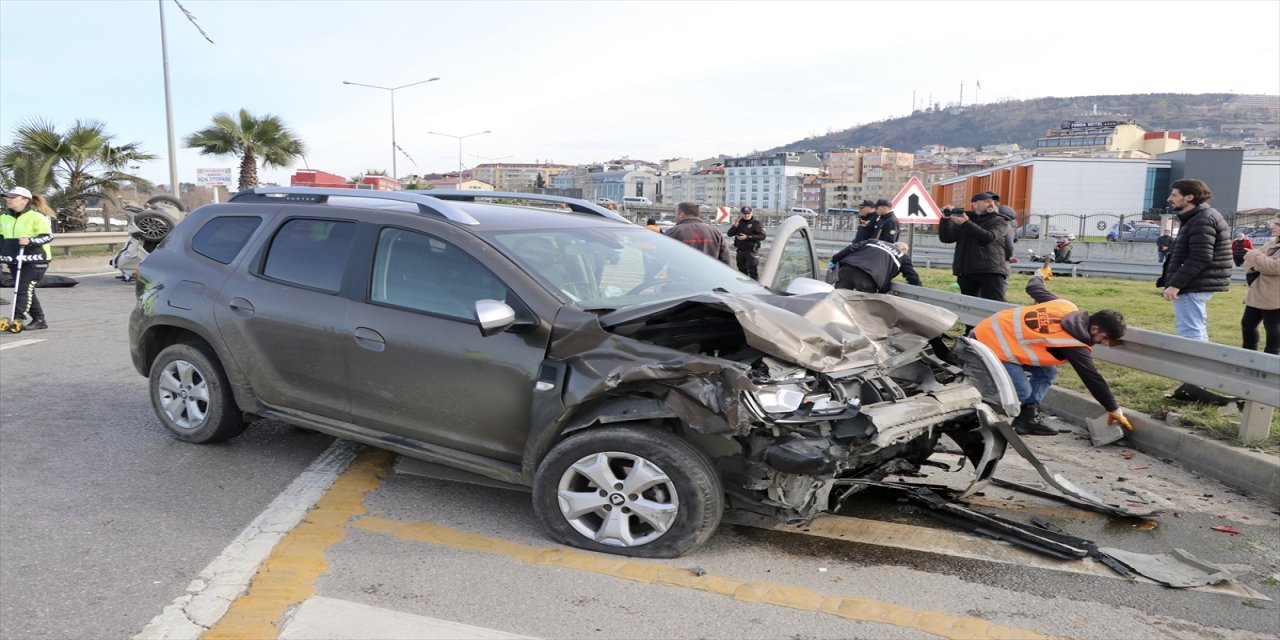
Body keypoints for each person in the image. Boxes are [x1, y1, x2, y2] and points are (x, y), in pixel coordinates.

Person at [974, 270, 1132, 436]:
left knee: (1047, 372)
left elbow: (1034, 288)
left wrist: (1040, 275)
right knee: (1021, 391)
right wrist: (1113, 409)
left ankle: (1026, 419)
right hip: (989, 346)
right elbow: (1092, 378)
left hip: (984, 331)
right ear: (1094, 329)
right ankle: (977, 419)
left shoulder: (1065, 306)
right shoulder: (1073, 344)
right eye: (1105, 338)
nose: (1104, 343)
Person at [1158, 179, 1232, 341]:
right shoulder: (1198, 217)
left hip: (1192, 284)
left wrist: (1175, 285)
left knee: (1190, 332)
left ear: (1189, 197)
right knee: (1196, 328)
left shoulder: (1202, 219)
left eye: (1174, 195)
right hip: (1194, 282)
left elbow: (1200, 257)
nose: (1169, 199)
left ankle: (1192, 358)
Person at [939, 191, 1011, 302]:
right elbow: (947, 238)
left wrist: (966, 223)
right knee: (970, 305)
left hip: (990, 270)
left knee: (995, 303)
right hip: (966, 271)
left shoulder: (1000, 221)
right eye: (987, 201)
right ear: (975, 204)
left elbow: (989, 237)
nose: (991, 203)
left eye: (992, 201)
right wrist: (945, 220)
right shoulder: (965, 218)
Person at [0, 186, 54, 330]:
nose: (8, 200)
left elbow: (48, 237)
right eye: (7, 197)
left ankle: (17, 318)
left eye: (12, 197)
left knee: (22, 288)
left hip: (36, 260)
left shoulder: (37, 217)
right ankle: (39, 319)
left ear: (25, 200)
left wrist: (30, 241)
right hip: (15, 260)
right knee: (26, 289)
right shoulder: (3, 218)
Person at [1240, 214, 1280, 355]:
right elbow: (1247, 263)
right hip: (1257, 291)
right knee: (1247, 324)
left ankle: (1270, 361)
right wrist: (1259, 263)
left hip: (1274, 295)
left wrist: (1254, 256)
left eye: (1278, 224)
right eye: (1274, 223)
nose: (1273, 226)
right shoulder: (1272, 242)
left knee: (1272, 328)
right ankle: (1248, 358)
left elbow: (1275, 267)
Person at [828, 240, 921, 293]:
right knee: (862, 306)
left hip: (847, 269)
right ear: (903, 249)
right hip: (868, 277)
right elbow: (911, 275)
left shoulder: (873, 241)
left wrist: (833, 261)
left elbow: (850, 248)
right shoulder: (902, 256)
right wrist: (918, 289)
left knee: (838, 299)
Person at [665, 201, 731, 264]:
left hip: (681, 271)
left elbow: (663, 256)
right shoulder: (716, 232)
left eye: (676, 214)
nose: (676, 216)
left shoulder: (673, 232)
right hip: (710, 271)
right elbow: (725, 259)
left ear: (681, 215)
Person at [725, 206, 766, 279]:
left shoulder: (756, 223)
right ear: (741, 214)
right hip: (740, 251)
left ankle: (754, 285)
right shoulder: (739, 222)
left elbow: (762, 236)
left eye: (748, 213)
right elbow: (729, 234)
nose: (746, 215)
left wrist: (747, 237)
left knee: (752, 270)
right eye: (744, 213)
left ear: (751, 213)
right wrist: (735, 226)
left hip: (751, 251)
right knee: (741, 271)